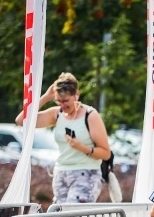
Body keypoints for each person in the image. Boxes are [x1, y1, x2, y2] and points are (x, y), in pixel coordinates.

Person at [15, 72, 111, 204]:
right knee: (60, 216)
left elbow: (106, 153)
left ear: (76, 94)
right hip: (61, 173)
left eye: (66, 101)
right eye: (58, 101)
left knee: (73, 215)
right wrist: (45, 97)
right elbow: (21, 120)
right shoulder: (57, 114)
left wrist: (81, 148)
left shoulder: (90, 115)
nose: (62, 105)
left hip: (86, 174)